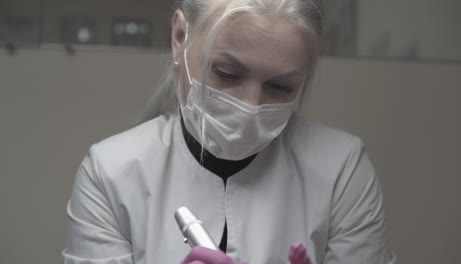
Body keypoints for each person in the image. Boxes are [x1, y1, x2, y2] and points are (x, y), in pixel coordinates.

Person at [63, 0, 396, 263]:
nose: (251, 107)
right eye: (226, 72)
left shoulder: (341, 170)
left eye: (280, 86)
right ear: (180, 38)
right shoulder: (110, 173)